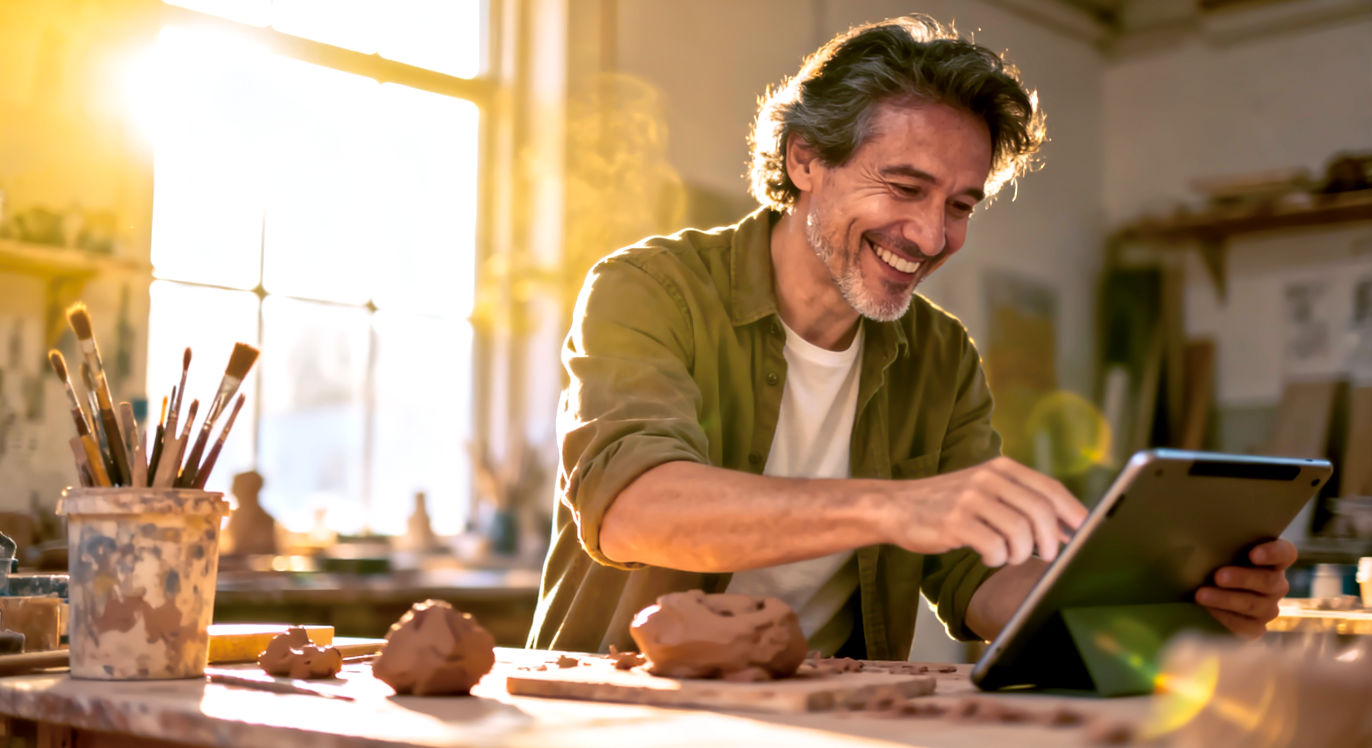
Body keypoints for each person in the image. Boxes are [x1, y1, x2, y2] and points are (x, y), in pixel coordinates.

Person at [527, 15, 1293, 658]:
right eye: (904, 187)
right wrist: (895, 507)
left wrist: (1162, 614)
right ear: (805, 160)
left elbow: (974, 577)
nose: (932, 235)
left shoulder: (940, 354)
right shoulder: (652, 289)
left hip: (824, 722)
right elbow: (634, 509)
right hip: (621, 712)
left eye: (961, 204)